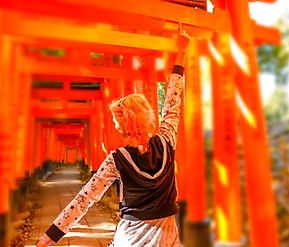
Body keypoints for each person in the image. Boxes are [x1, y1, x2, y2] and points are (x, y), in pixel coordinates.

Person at [36, 30, 190, 247]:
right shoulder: (167, 140)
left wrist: (48, 238)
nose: (115, 125)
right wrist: (181, 53)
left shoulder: (117, 159)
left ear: (124, 125)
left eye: (117, 121)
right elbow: (173, 103)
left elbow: (85, 199)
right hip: (166, 237)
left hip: (131, 238)